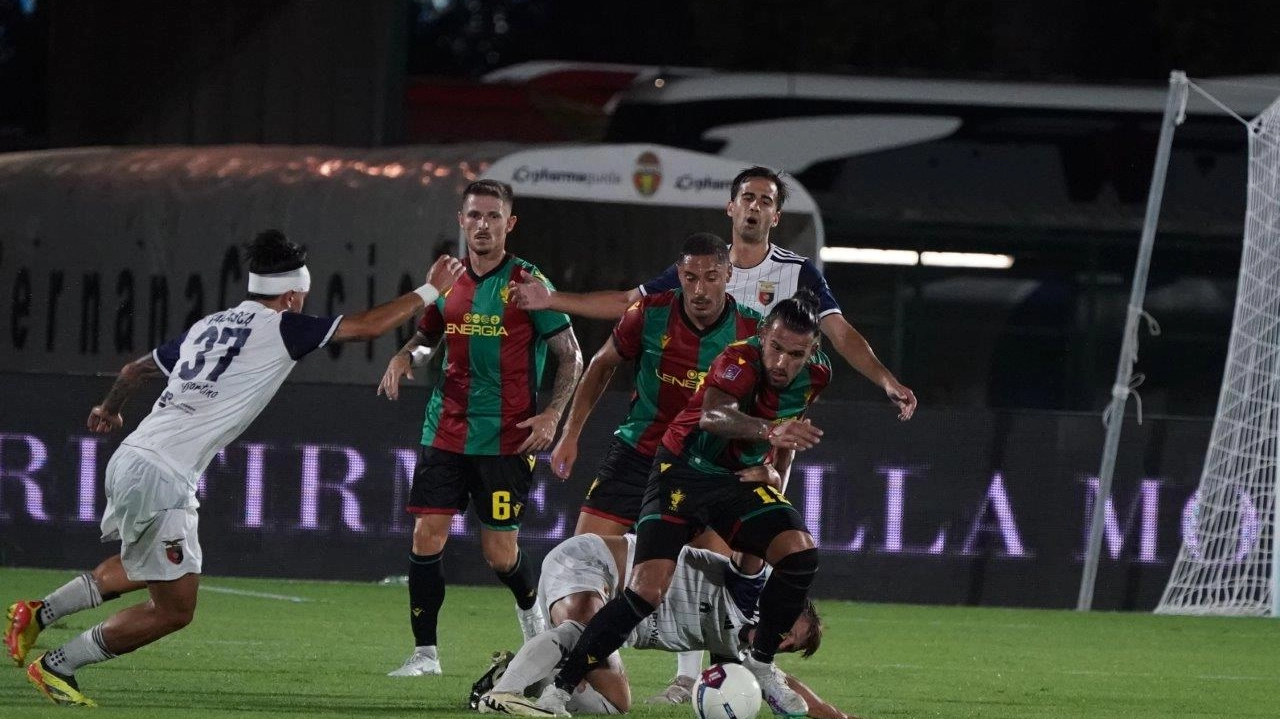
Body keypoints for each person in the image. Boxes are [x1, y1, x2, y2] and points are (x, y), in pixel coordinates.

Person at [4, 229, 465, 707]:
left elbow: (132, 372)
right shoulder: (283, 326)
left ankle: (37, 613)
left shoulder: (209, 325)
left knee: (146, 567)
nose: (303, 304)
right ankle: (60, 664)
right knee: (174, 609)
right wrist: (432, 288)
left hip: (135, 457)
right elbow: (368, 326)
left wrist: (110, 409)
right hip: (162, 472)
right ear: (290, 294)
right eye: (302, 296)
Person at [531, 290, 833, 718]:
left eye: (796, 354)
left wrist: (775, 476)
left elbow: (791, 427)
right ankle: (559, 689)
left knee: (801, 552)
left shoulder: (817, 377)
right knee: (645, 591)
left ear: (812, 352)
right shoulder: (737, 358)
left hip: (734, 481)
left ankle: (761, 665)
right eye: (777, 348)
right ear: (763, 335)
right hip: (682, 468)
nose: (783, 362)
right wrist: (771, 433)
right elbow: (714, 416)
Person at [508, 165, 916, 426]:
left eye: (766, 201)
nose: (755, 206)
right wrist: (551, 299)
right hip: (688, 415)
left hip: (749, 419)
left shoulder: (798, 273)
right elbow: (625, 303)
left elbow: (840, 334)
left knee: (744, 547)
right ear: (731, 208)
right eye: (748, 197)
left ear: (775, 217)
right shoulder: (703, 266)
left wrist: (885, 380)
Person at [377, 179, 584, 677]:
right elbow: (429, 338)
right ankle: (426, 654)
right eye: (474, 216)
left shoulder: (528, 282)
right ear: (461, 221)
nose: (483, 225)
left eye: (494, 216)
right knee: (427, 534)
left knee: (499, 553)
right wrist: (408, 357)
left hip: (507, 438)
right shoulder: (446, 280)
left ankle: (530, 610)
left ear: (509, 224)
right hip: (444, 428)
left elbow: (570, 354)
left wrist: (553, 413)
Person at [550, 231, 767, 703]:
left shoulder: (753, 332)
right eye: (691, 277)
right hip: (636, 455)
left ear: (729, 275)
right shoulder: (648, 315)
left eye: (712, 276)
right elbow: (604, 363)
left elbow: (767, 404)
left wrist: (763, 463)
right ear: (679, 275)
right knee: (575, 565)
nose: (701, 289)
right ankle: (546, 662)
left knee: (716, 578)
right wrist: (570, 433)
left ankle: (701, 683)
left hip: (704, 468)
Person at [474, 533, 858, 719]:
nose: (783, 640)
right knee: (583, 628)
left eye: (790, 644)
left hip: (614, 619)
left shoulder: (741, 651)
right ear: (781, 605)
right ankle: (505, 694)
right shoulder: (751, 587)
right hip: (595, 565)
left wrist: (831, 714)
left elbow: (781, 685)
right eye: (791, 627)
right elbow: (753, 541)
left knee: (615, 704)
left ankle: (523, 676)